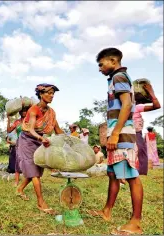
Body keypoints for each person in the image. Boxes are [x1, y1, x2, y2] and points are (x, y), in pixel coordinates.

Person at [88, 48, 143, 235]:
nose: (100, 68)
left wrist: (115, 133)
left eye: (101, 64)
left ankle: (135, 222)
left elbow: (126, 105)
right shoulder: (115, 79)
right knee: (112, 174)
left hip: (122, 135)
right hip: (117, 133)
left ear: (113, 60)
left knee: (131, 177)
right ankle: (106, 211)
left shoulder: (119, 77)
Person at [17, 83, 64, 215]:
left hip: (40, 140)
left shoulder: (51, 112)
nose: (51, 95)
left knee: (36, 168)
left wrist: (69, 140)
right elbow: (31, 129)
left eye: (53, 93)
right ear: (41, 94)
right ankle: (40, 202)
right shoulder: (34, 109)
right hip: (27, 139)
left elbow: (58, 130)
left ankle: (20, 189)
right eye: (48, 93)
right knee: (34, 171)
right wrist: (41, 138)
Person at [133, 83, 161, 174]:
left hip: (133, 133)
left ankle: (137, 171)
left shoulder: (129, 107)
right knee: (140, 151)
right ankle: (138, 171)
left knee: (139, 151)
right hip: (134, 134)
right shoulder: (137, 107)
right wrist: (151, 92)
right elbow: (157, 106)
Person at [7, 108, 28, 186]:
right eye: (22, 111)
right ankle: (16, 181)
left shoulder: (30, 120)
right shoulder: (17, 122)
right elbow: (9, 130)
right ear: (19, 112)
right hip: (19, 143)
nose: (23, 113)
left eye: (25, 111)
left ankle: (28, 180)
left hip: (29, 143)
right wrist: (8, 119)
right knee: (17, 162)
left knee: (28, 162)